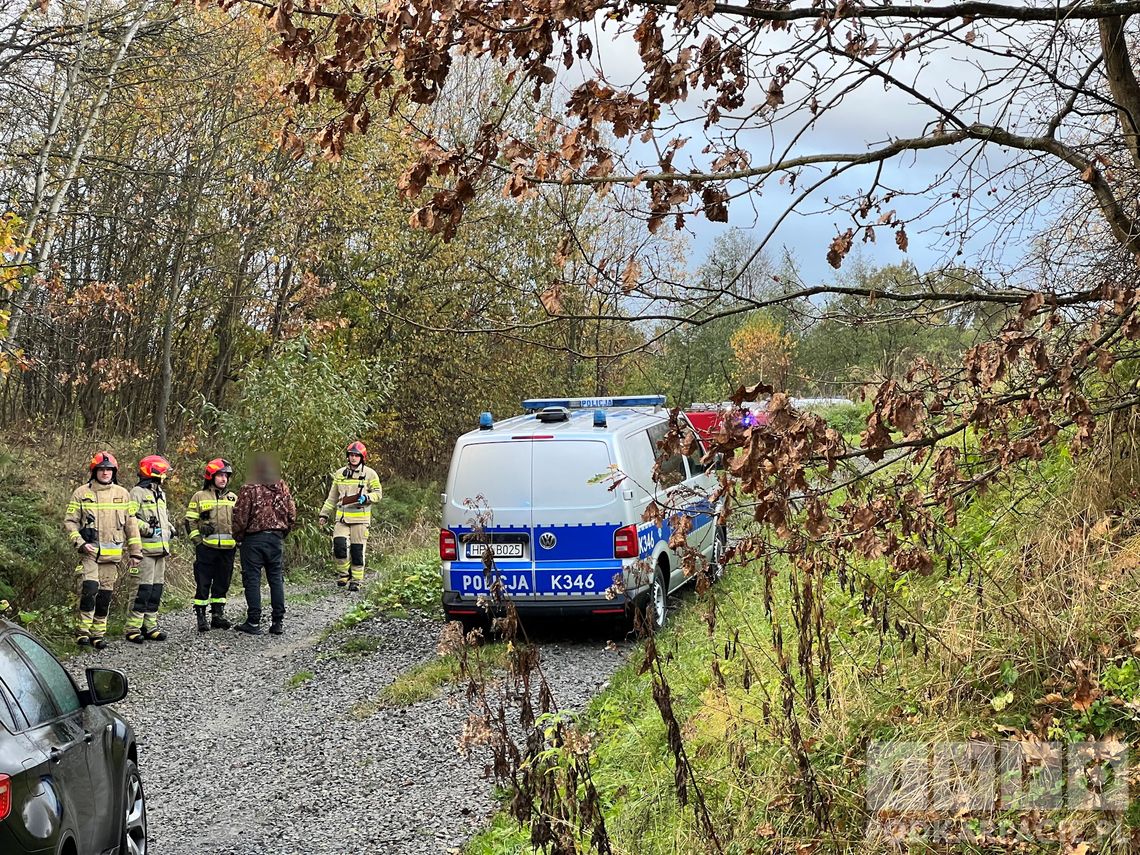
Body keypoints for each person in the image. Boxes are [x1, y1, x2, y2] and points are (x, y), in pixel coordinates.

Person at [63, 452, 142, 649]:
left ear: (114, 472)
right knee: (90, 588)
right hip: (89, 553)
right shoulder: (81, 493)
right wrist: (80, 542)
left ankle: (98, 634)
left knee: (105, 596)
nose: (105, 472)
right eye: (101, 469)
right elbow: (70, 522)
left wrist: (135, 552)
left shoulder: (123, 494)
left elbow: (131, 525)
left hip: (112, 555)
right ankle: (83, 632)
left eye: (109, 469)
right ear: (94, 471)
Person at [232, 453, 296, 636]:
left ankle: (253, 622)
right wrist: (283, 531)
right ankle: (277, 622)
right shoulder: (282, 487)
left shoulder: (250, 487)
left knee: (252, 579)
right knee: (276, 578)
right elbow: (292, 514)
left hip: (253, 539)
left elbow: (240, 516)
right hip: (276, 539)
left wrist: (238, 536)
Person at [319, 440, 383, 592]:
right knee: (339, 545)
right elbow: (332, 497)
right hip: (342, 519)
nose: (353, 458)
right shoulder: (340, 474)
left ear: (362, 457)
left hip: (360, 519)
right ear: (348, 457)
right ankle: (343, 574)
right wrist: (324, 514)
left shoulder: (370, 474)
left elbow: (378, 494)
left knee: (357, 550)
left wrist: (367, 498)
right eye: (351, 455)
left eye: (357, 455)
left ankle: (356, 580)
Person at [186, 458, 238, 632]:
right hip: (207, 549)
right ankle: (201, 617)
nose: (224, 479)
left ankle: (218, 615)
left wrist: (238, 540)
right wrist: (198, 542)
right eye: (220, 475)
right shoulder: (199, 496)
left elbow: (239, 522)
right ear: (211, 476)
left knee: (222, 583)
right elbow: (190, 521)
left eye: (226, 476)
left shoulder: (233, 498)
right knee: (203, 583)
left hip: (228, 549)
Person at [125, 455, 172, 643]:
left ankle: (150, 626)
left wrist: (170, 528)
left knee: (155, 591)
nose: (164, 476)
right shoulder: (137, 492)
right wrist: (146, 527)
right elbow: (129, 517)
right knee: (141, 590)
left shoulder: (160, 493)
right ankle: (133, 628)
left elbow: (163, 517)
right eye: (162, 472)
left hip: (160, 550)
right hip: (144, 550)